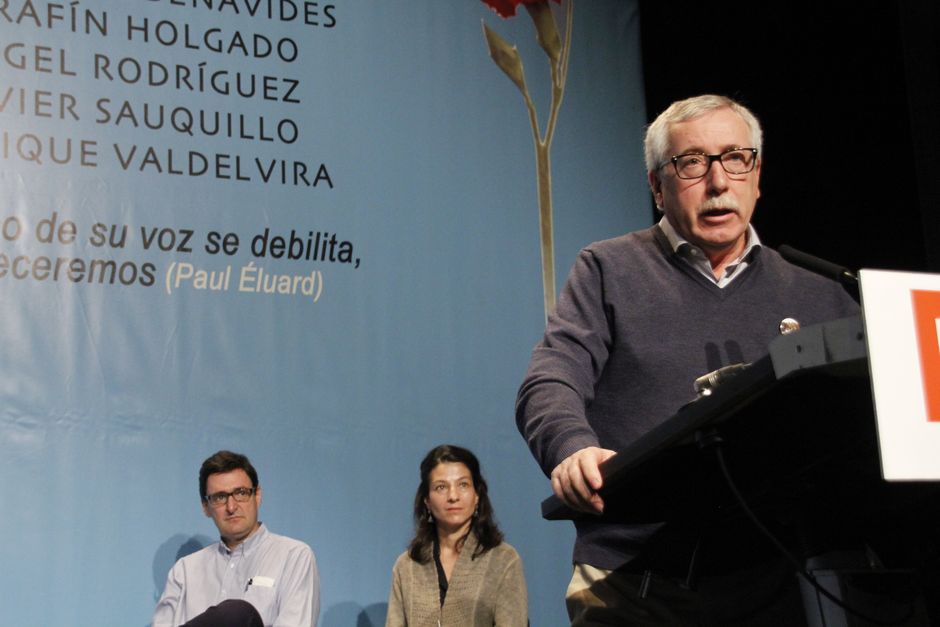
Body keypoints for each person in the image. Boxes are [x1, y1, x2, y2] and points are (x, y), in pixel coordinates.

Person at [515, 94, 860, 625]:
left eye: (735, 158)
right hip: (635, 584)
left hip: (778, 578)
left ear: (757, 174)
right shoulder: (609, 268)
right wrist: (572, 448)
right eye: (692, 162)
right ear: (657, 185)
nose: (718, 181)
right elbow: (551, 376)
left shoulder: (823, 291)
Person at [152, 450, 320, 627]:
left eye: (240, 493)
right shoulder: (184, 571)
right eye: (220, 497)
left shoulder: (293, 557)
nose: (231, 507)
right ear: (205, 507)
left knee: (239, 613)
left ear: (257, 495)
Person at [385, 444, 528, 626]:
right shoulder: (407, 566)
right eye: (441, 487)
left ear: (477, 495)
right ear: (427, 500)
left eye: (463, 485)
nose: (453, 496)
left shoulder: (504, 560)